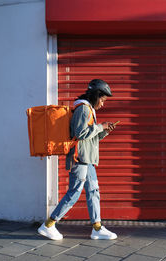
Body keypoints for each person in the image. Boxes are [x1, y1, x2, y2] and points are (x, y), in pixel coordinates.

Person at [38, 79, 118, 240]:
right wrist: (100, 126)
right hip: (79, 159)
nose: (103, 104)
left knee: (93, 192)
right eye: (102, 100)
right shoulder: (83, 109)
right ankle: (48, 225)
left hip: (87, 159)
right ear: (96, 95)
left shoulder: (89, 110)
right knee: (74, 193)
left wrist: (104, 130)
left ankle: (97, 228)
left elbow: (90, 138)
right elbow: (80, 134)